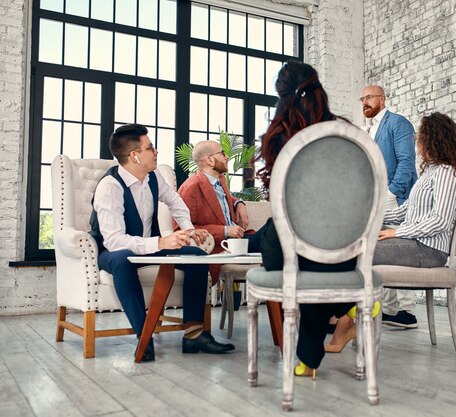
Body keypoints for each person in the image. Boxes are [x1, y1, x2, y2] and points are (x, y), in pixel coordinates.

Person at [326, 112, 456, 353]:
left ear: (433, 140)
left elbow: (441, 221)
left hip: (428, 251)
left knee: (358, 252)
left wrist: (397, 233)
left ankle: (345, 320)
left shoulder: (448, 173)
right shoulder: (431, 173)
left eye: (420, 138)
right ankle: (347, 317)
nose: (416, 142)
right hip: (415, 243)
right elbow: (406, 210)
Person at [90, 124, 235, 362]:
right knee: (122, 261)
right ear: (135, 155)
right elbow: (115, 241)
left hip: (149, 247)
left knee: (197, 255)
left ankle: (193, 334)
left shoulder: (153, 176)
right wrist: (161, 242)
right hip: (112, 251)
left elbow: (175, 201)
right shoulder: (110, 187)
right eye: (150, 147)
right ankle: (143, 337)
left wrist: (189, 230)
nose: (156, 151)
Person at [256, 61, 359, 379]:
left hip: (301, 240)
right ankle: (346, 306)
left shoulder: (281, 138)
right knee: (317, 261)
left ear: (281, 97)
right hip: (348, 244)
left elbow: (282, 200)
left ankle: (310, 354)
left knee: (274, 242)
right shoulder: (348, 133)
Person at [360, 85, 419, 328]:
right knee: (386, 252)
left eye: (369, 98)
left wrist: (393, 193)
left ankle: (408, 311)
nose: (364, 102)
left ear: (382, 100)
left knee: (400, 253)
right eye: (362, 99)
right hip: (376, 201)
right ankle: (391, 310)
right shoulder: (369, 129)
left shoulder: (398, 123)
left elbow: (407, 160)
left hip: (397, 199)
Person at [178, 140, 261, 286]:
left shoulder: (219, 180)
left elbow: (221, 199)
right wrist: (224, 231)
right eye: (222, 153)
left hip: (238, 242)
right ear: (210, 160)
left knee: (276, 237)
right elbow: (183, 231)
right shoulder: (190, 188)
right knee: (274, 229)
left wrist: (238, 202)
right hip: (222, 247)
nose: (227, 156)